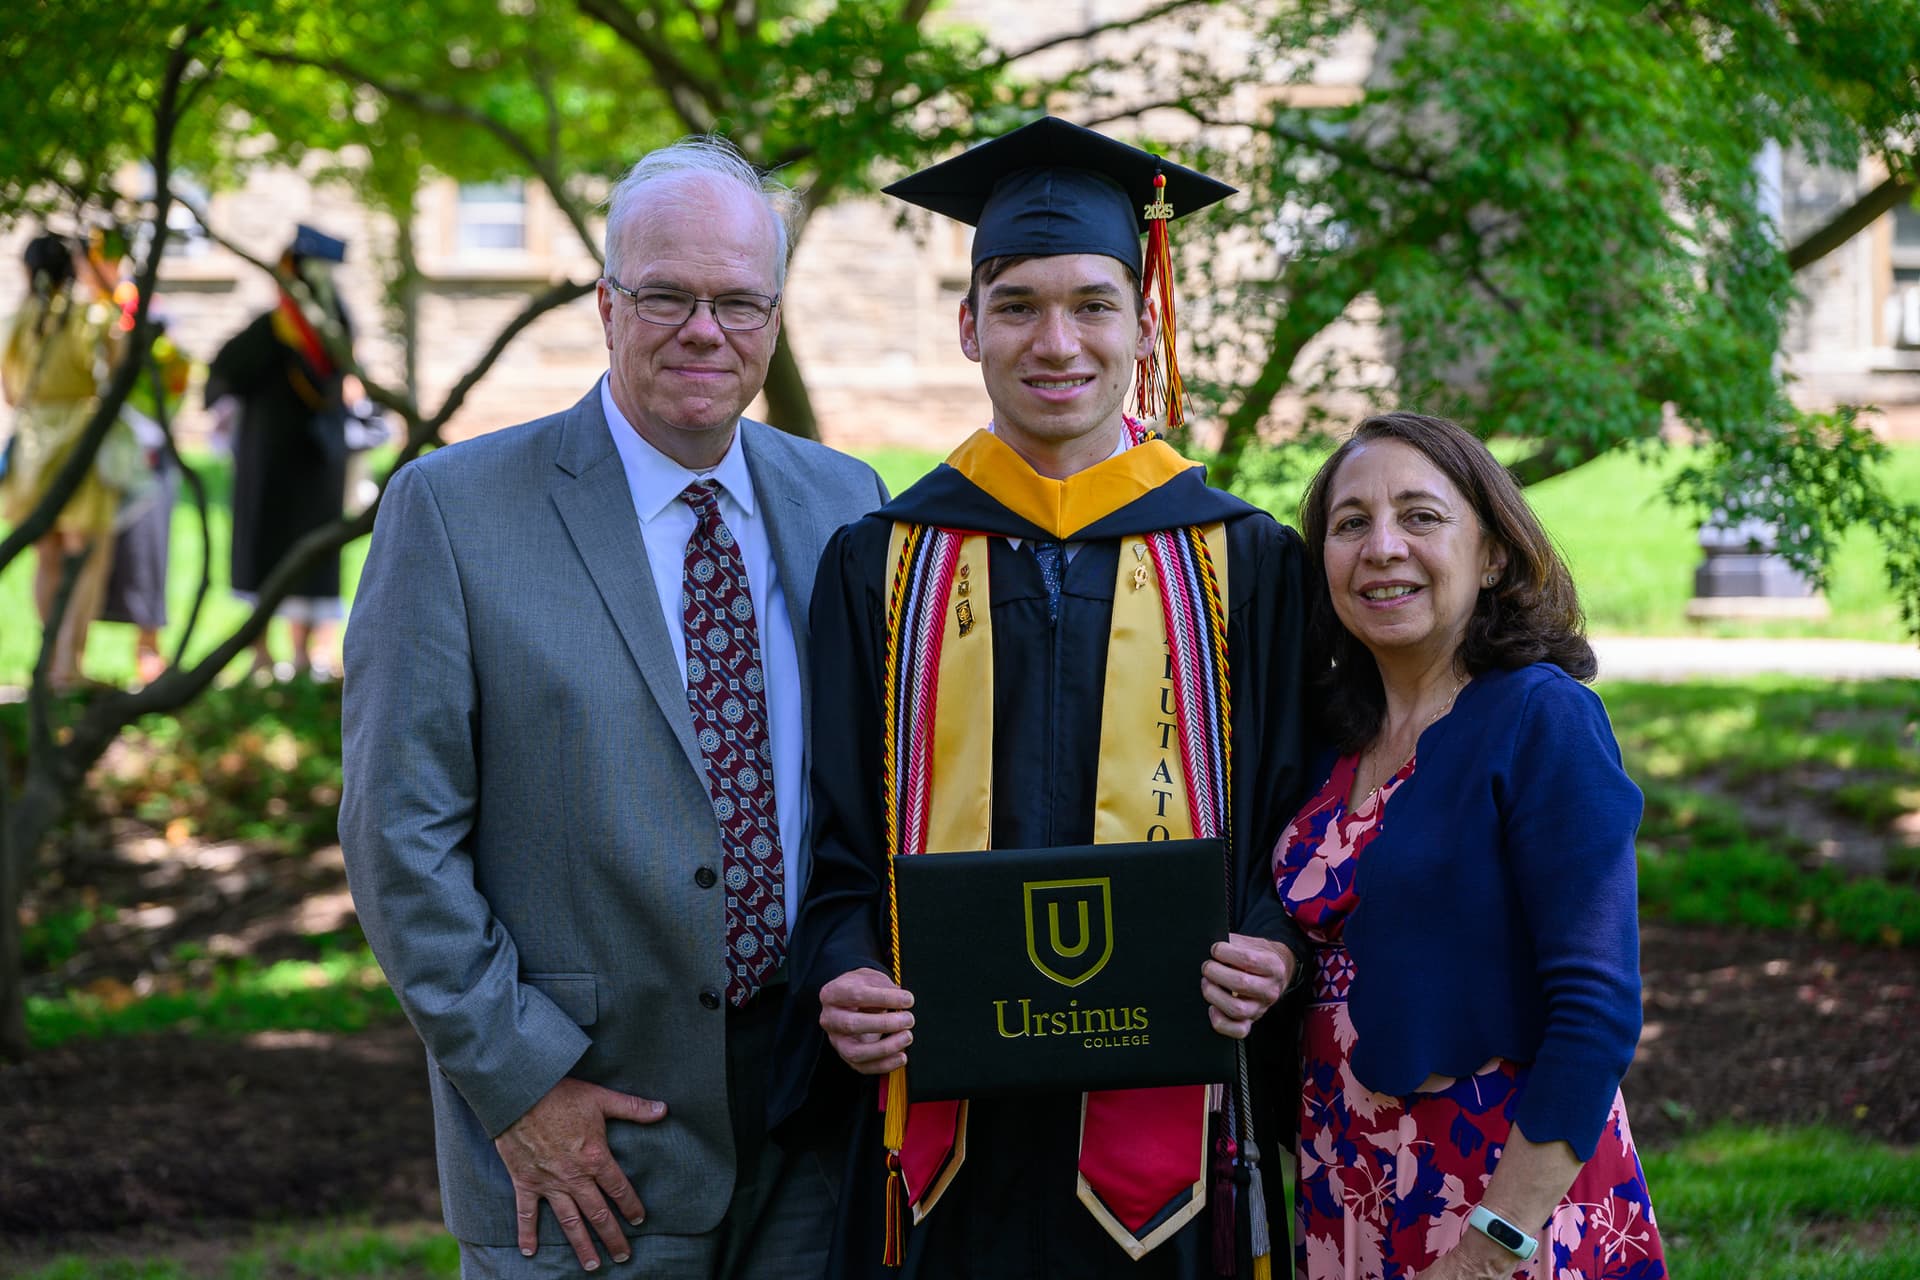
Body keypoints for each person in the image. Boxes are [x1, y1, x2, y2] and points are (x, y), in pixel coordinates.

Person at [772, 117, 1313, 1278]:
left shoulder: (1246, 563)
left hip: (1177, 1141)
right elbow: (833, 853)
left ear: (1142, 319)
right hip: (947, 1144)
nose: (1054, 340)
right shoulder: (882, 564)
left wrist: (1273, 943)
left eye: (1092, 303)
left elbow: (1296, 818)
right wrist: (844, 967)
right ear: (969, 326)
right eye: (1015, 304)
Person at [339, 134, 888, 1279]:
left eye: (740, 300)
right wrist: (521, 1083)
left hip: (812, 1120)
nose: (705, 329)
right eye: (666, 295)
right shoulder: (454, 512)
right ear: (605, 302)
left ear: (776, 317)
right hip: (586, 1134)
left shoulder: (842, 501)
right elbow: (399, 839)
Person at [1274, 412, 1665, 1279]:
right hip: (1350, 1182)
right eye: (1350, 524)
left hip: (1498, 1193)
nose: (1382, 547)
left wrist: (1494, 1246)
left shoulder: (1541, 718)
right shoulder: (1333, 740)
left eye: (1420, 516)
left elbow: (1597, 1012)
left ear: (1491, 554)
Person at [204, 224, 355, 680]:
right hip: (274, 458)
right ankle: (265, 652)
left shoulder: (323, 323)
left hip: (311, 457)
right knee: (267, 550)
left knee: (310, 552)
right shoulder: (276, 329)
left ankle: (300, 652)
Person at [1, 232, 122, 689]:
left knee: (46, 558)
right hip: (79, 447)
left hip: (33, 450)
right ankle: (69, 665)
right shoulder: (91, 316)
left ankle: (50, 662)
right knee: (85, 560)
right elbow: (114, 372)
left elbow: (11, 395)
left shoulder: (16, 321)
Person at [101, 318, 191, 687]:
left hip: (150, 461)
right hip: (107, 459)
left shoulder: (167, 353)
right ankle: (67, 657)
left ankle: (148, 646)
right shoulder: (98, 326)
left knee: (149, 553)